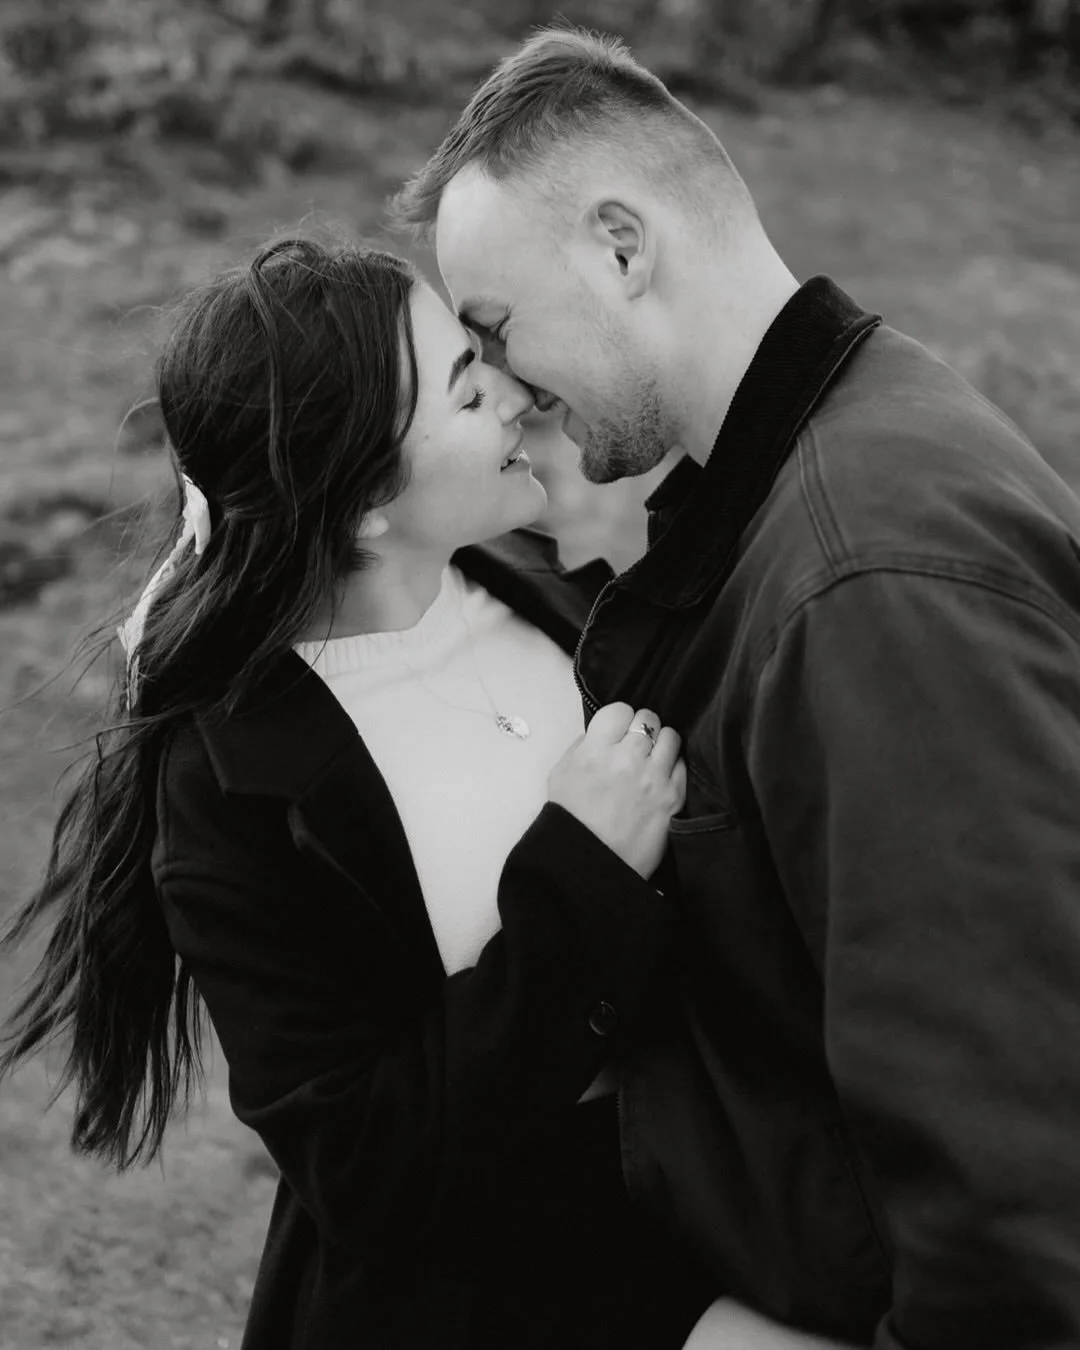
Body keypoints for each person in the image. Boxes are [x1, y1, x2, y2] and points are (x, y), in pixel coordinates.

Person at [0, 237, 852, 1350]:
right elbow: (369, 1169)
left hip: (717, 1192)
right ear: (365, 502)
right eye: (465, 388)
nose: (516, 392)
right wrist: (582, 871)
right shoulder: (231, 790)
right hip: (487, 1283)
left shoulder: (541, 586)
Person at [391, 25, 1080, 1350]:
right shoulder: (802, 488)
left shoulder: (868, 577)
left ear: (621, 247)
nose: (509, 392)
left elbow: (1012, 1162)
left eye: (497, 330)